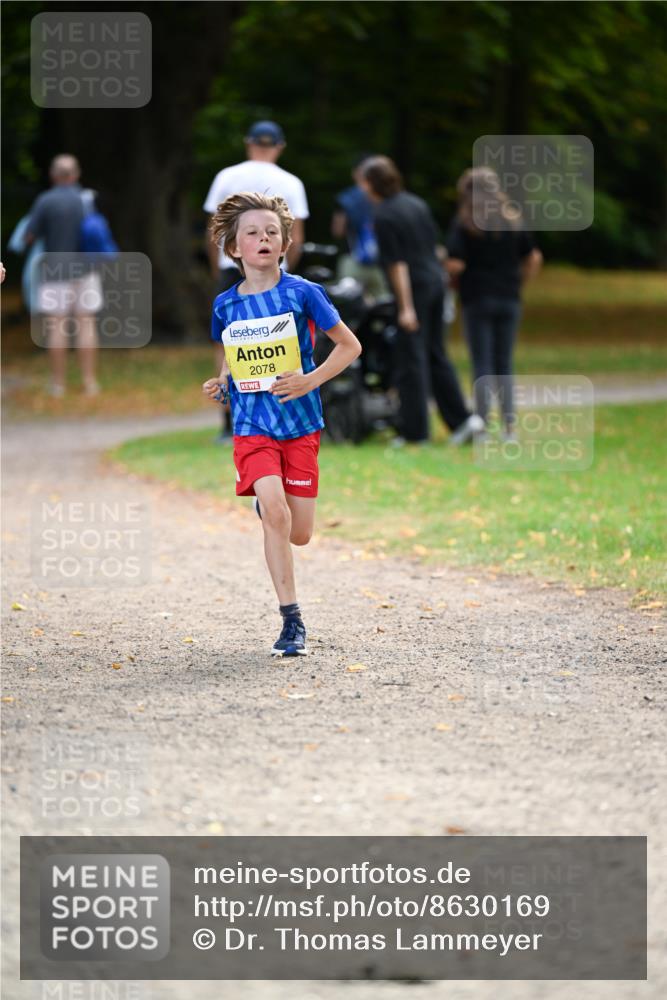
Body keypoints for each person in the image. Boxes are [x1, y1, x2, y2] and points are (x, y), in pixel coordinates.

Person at [202, 192, 361, 657]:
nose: (263, 238)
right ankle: (292, 621)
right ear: (234, 248)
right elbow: (233, 357)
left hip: (301, 424)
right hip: (252, 426)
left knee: (299, 531)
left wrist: (308, 379)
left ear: (286, 242)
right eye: (252, 232)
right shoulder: (225, 305)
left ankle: (273, 510)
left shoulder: (304, 293)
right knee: (276, 512)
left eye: (272, 231)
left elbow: (350, 347)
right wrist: (222, 382)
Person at [359, 156, 482, 446]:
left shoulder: (385, 215)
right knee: (435, 353)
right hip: (435, 283)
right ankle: (463, 421)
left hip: (414, 289)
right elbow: (435, 250)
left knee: (410, 360)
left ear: (370, 184)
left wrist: (405, 307)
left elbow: (397, 264)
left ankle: (415, 432)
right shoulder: (416, 203)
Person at [203, 122, 310, 441]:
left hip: (231, 266)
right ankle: (279, 415)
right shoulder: (291, 182)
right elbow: (298, 236)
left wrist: (219, 266)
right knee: (277, 340)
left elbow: (213, 231)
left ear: (248, 143)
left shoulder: (226, 176)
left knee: (227, 340)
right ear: (279, 146)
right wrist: (285, 268)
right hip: (274, 268)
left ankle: (229, 421)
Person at [446, 168, 543, 438]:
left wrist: (447, 272)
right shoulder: (513, 220)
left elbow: (456, 263)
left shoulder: (466, 223)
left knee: (483, 363)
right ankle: (510, 427)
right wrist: (519, 281)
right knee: (504, 362)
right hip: (509, 297)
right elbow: (533, 256)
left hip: (477, 298)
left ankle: (483, 423)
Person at [24, 154, 103, 397]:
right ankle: (90, 382)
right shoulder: (87, 199)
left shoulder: (45, 201)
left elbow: (29, 236)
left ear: (53, 175)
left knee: (57, 326)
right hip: (86, 269)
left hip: (55, 270)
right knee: (86, 324)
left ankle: (58, 384)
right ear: (76, 174)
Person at [331, 156, 386, 300]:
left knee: (347, 305)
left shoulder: (346, 198)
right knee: (382, 305)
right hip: (382, 262)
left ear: (354, 173)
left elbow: (338, 231)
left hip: (351, 259)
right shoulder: (384, 197)